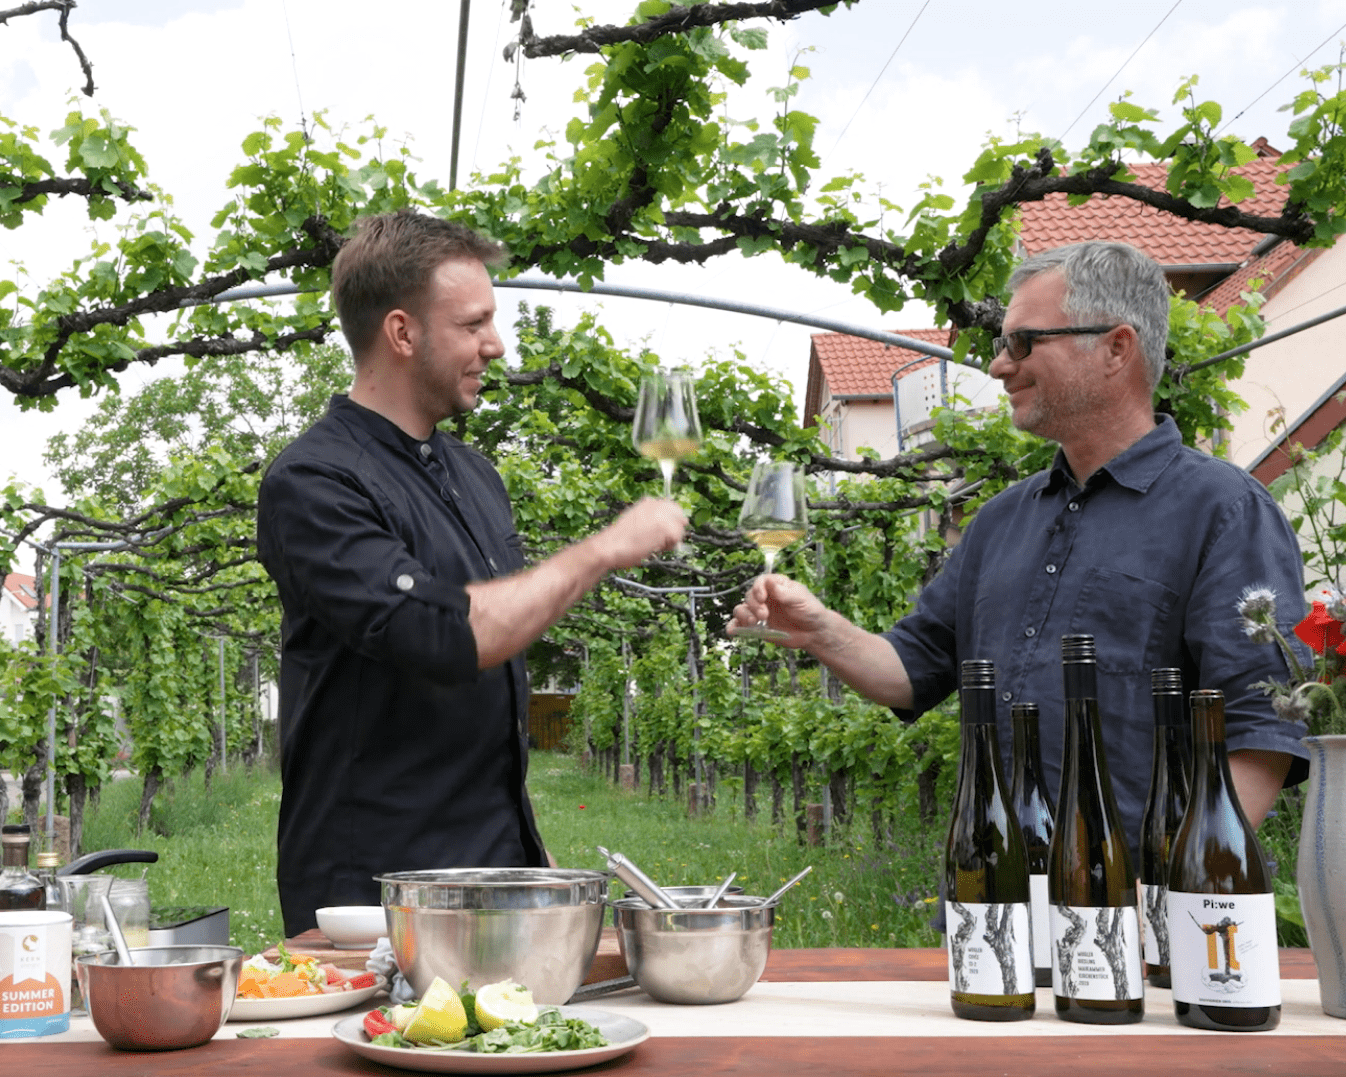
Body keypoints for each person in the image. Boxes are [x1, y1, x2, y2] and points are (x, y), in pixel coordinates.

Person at [732, 240, 1306, 841]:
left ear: (1116, 347)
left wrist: (1170, 892)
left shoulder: (1222, 511)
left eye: (1023, 342)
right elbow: (914, 667)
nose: (1000, 365)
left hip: (1140, 906)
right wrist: (822, 631)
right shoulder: (1000, 522)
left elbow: (1263, 729)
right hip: (993, 902)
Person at [257, 209, 687, 937]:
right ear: (402, 332)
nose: (495, 345)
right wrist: (603, 548)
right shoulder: (313, 481)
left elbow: (484, 691)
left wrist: (526, 850)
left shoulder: (474, 474)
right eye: (473, 323)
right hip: (371, 894)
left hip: (493, 873)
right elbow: (443, 634)